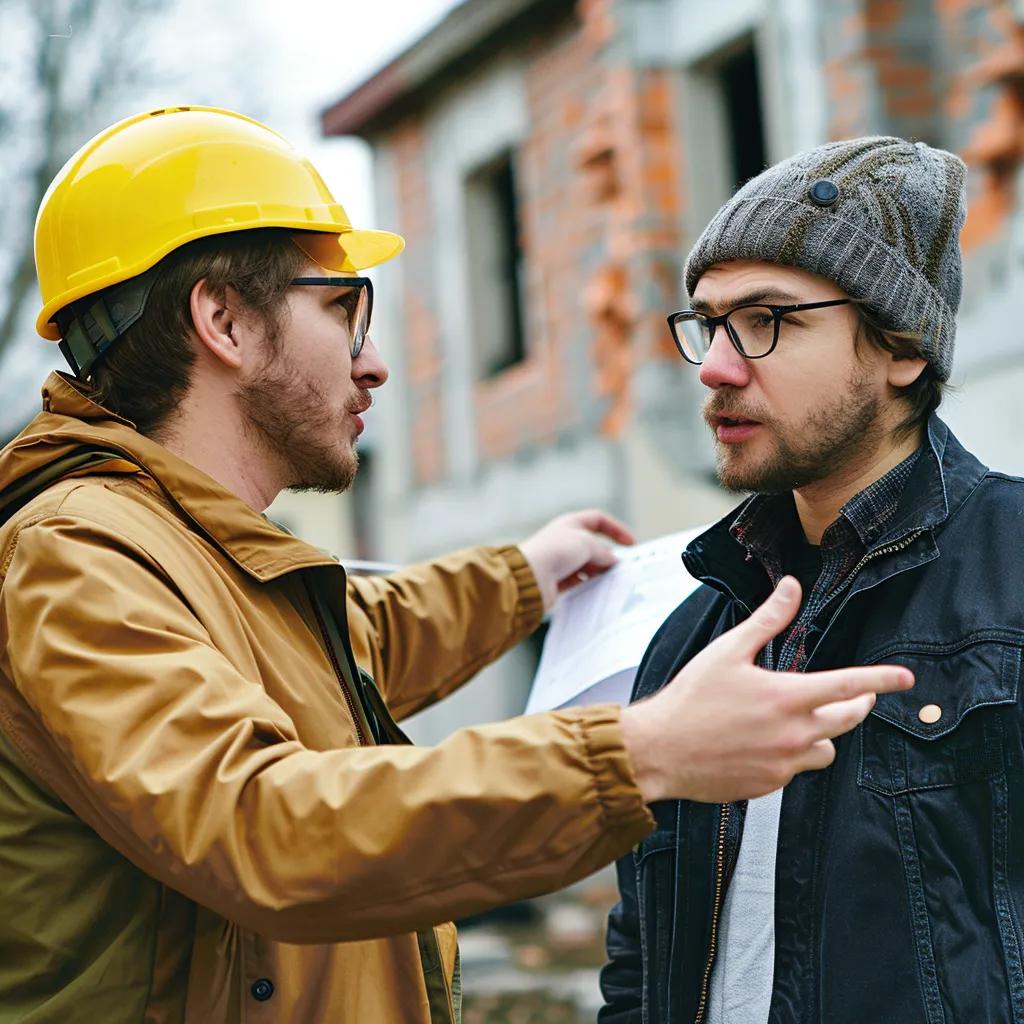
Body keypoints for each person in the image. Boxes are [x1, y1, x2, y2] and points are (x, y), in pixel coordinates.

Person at [0, 107, 912, 1024]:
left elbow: (355, 639)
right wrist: (639, 754)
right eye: (343, 310)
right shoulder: (78, 555)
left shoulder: (189, 551)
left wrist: (525, 576)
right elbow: (261, 824)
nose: (377, 365)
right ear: (224, 321)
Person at [599, 136, 1022, 1024]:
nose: (715, 366)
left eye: (767, 321)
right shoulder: (694, 635)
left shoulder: (1013, 578)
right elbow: (639, 960)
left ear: (901, 348)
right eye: (707, 324)